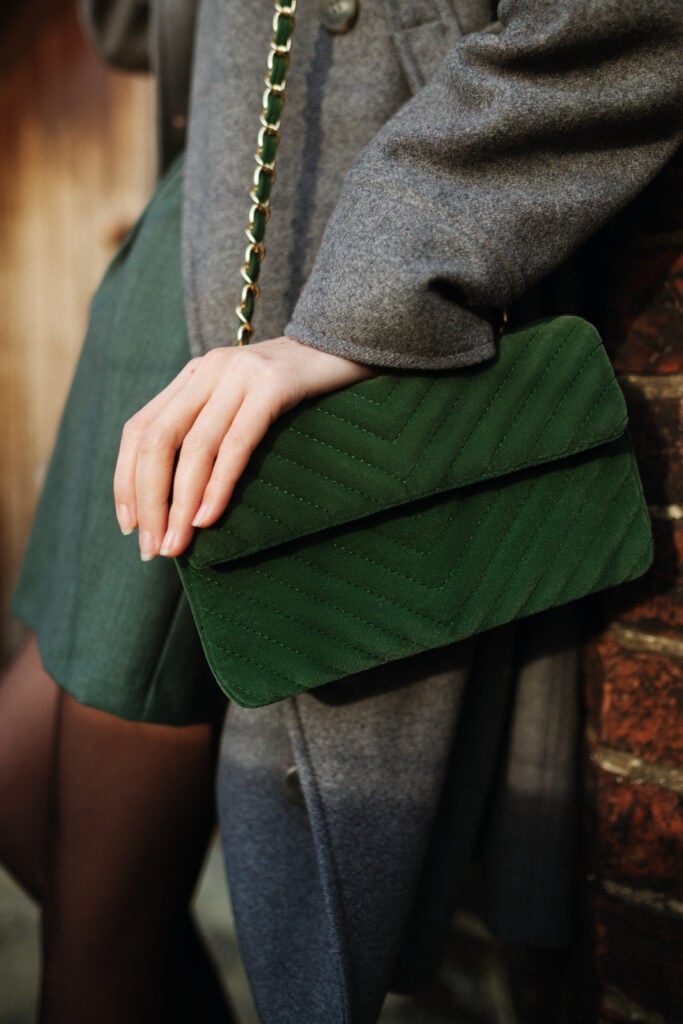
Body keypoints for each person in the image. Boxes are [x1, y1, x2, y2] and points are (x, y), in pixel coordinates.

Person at [4, 1, 682, 1022]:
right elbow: (135, 34)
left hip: (339, 253)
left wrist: (373, 296)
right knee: (25, 800)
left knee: (99, 930)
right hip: (189, 238)